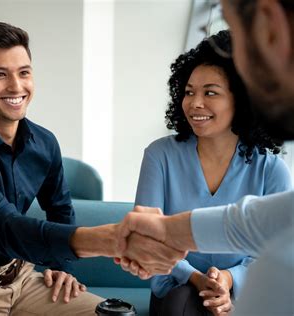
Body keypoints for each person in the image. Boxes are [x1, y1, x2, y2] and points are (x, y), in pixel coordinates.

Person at [0, 21, 186, 315]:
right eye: (0, 75)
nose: (16, 86)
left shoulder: (44, 142)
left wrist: (60, 266)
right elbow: (8, 228)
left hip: (22, 280)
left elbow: (60, 208)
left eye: (24, 72)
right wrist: (113, 240)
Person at [117, 2, 294, 315]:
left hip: (240, 291)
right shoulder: (160, 156)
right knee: (182, 299)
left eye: (210, 92)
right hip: (176, 291)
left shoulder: (272, 169)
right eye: (188, 92)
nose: (195, 103)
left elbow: (269, 245)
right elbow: (149, 241)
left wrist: (228, 279)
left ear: (241, 98)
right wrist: (197, 278)